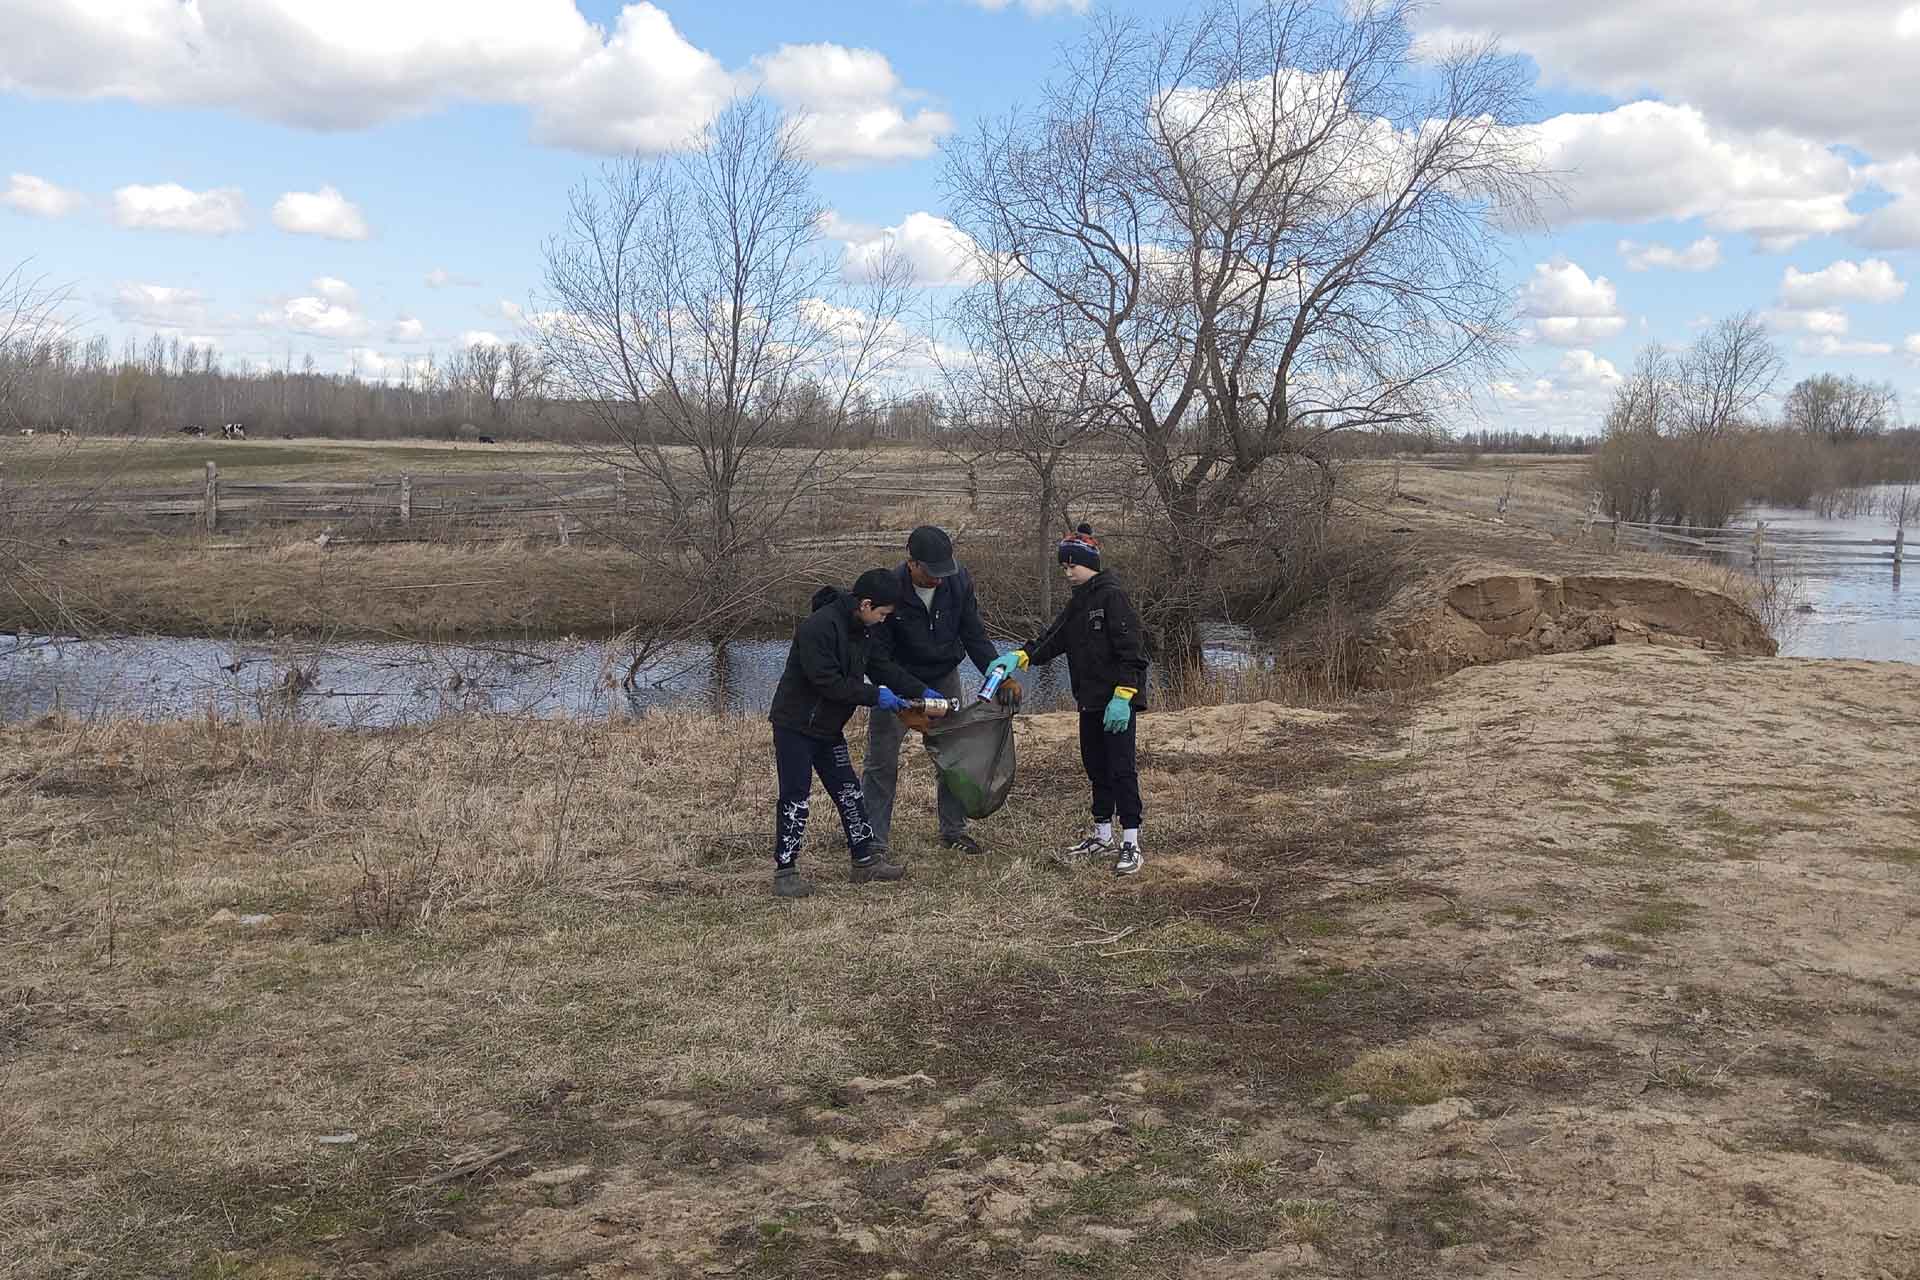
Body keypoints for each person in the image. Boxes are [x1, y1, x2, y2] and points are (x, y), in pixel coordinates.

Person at [983, 524, 1149, 875]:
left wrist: (1124, 696)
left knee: (1122, 770)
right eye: (1064, 566)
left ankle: (1131, 842)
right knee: (1096, 768)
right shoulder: (1079, 602)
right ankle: (1102, 834)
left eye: (1072, 564)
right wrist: (1019, 657)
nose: (1067, 571)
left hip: (1116, 703)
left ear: (1090, 562)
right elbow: (1052, 640)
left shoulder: (1112, 596)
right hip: (1088, 700)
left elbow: (1132, 650)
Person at [766, 568, 936, 899]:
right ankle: (785, 873)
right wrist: (876, 696)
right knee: (796, 798)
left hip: (828, 729)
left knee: (849, 792)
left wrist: (922, 691)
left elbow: (881, 668)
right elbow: (826, 682)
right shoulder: (818, 628)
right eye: (884, 614)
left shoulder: (863, 631)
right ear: (867, 605)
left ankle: (865, 862)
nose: (885, 620)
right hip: (795, 726)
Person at [863, 525, 1001, 855]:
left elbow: (974, 635)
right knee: (881, 760)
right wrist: (915, 696)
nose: (939, 579)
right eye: (931, 572)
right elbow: (877, 659)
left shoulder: (959, 581)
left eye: (945, 571)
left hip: (943, 674)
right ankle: (873, 841)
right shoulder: (888, 589)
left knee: (954, 754)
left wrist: (998, 674)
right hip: (897, 680)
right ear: (912, 563)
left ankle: (953, 831)